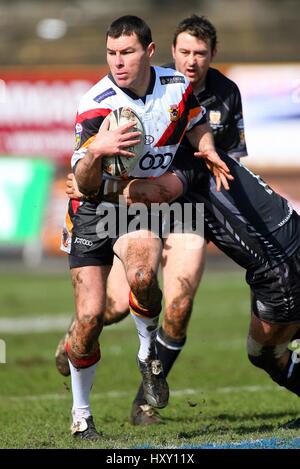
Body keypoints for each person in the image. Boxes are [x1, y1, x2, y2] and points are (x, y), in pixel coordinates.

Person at [56, 14, 247, 426]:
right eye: (111, 53)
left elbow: (196, 124)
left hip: (141, 209)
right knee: (92, 317)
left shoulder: (177, 88)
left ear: (150, 53)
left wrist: (209, 147)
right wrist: (96, 151)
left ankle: (148, 357)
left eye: (127, 52)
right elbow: (85, 184)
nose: (118, 62)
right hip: (92, 210)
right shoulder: (96, 103)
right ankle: (81, 415)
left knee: (145, 278)